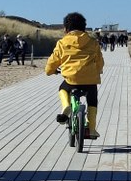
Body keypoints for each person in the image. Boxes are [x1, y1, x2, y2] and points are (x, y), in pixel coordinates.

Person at [45, 11, 104, 139]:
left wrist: (50, 71)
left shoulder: (62, 43)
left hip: (72, 80)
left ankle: (66, 106)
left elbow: (52, 62)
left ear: (66, 29)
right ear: (84, 27)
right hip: (90, 80)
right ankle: (92, 128)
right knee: (92, 99)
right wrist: (98, 70)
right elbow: (100, 61)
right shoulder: (93, 42)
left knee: (62, 88)